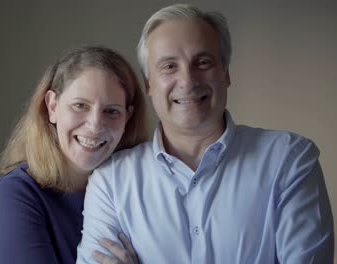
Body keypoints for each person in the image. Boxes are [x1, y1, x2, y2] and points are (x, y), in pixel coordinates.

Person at [77, 4, 334, 263]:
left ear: (226, 73)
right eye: (169, 66)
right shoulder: (110, 182)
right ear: (149, 85)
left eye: (203, 62)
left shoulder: (289, 160)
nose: (188, 80)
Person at [0, 46, 150, 264]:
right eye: (80, 105)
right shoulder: (12, 196)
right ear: (52, 107)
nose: (95, 125)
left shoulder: (133, 192)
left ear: (127, 118)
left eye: (111, 111)